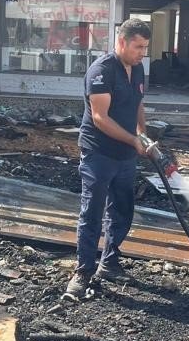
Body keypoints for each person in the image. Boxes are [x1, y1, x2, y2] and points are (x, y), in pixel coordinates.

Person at [65, 18, 151, 299]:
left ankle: (109, 262)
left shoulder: (137, 69)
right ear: (122, 41)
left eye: (146, 47)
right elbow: (100, 118)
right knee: (92, 212)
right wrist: (132, 140)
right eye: (138, 46)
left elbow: (138, 103)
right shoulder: (101, 71)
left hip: (126, 156)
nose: (143, 53)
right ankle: (83, 272)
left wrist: (143, 134)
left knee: (122, 210)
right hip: (99, 154)